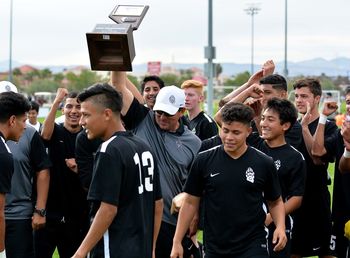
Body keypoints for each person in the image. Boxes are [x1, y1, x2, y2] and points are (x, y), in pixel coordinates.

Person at [170, 102, 287, 258]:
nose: (229, 137)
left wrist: (280, 226)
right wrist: (177, 241)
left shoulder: (264, 162)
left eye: (236, 132)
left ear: (248, 131)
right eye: (225, 131)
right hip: (215, 245)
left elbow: (275, 201)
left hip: (252, 244)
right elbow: (190, 202)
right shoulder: (204, 160)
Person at [110, 71, 201, 258]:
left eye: (168, 113)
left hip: (173, 223)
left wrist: (194, 215)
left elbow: (196, 186)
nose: (161, 117)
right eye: (159, 111)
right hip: (140, 219)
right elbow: (118, 86)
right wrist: (117, 53)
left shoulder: (194, 143)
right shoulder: (144, 120)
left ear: (182, 111)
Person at [71, 83, 163, 258]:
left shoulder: (109, 150)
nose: (82, 122)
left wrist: (81, 252)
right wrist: (151, 247)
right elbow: (157, 204)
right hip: (141, 249)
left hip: (114, 249)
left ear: (107, 114)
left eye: (86, 115)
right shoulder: (144, 147)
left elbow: (107, 209)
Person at [248, 98, 306, 257]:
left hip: (277, 226)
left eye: (270, 120)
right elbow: (222, 119)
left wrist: (270, 217)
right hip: (247, 223)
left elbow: (296, 198)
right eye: (263, 118)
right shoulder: (252, 145)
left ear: (285, 126)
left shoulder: (295, 157)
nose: (263, 123)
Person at [1, 84, 51, 258]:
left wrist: (40, 210)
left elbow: (43, 170)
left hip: (19, 214)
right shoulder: (3, 151)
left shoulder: (28, 133)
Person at [36, 88, 86, 258]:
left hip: (77, 215)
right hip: (51, 213)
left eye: (78, 107)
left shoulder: (89, 138)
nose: (74, 111)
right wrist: (56, 101)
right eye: (69, 106)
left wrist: (79, 169)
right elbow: (44, 135)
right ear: (63, 110)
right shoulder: (55, 131)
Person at [291, 78, 338, 258]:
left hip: (317, 199)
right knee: (293, 252)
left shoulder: (330, 127)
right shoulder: (289, 126)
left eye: (304, 96)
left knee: (326, 253)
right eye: (296, 96)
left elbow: (317, 158)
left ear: (317, 98)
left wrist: (305, 128)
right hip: (294, 199)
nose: (299, 100)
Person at [312, 87, 350, 258]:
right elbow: (317, 152)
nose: (349, 107)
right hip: (343, 212)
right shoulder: (341, 133)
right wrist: (323, 117)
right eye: (348, 102)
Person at [0, 81, 31, 258]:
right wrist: (2, 252)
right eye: (24, 120)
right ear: (12, 120)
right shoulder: (4, 155)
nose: (25, 126)